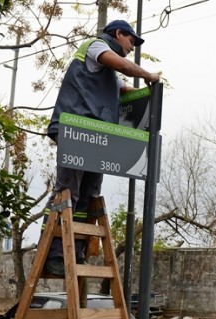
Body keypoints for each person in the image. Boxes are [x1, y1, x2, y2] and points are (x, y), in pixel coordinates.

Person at [43, 20, 160, 276]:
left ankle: (79, 251)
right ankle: (54, 255)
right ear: (118, 34)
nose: (132, 47)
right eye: (131, 40)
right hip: (76, 129)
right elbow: (120, 64)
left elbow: (124, 88)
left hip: (97, 137)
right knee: (67, 193)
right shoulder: (95, 47)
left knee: (88, 196)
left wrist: (146, 98)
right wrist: (148, 75)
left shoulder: (109, 75)